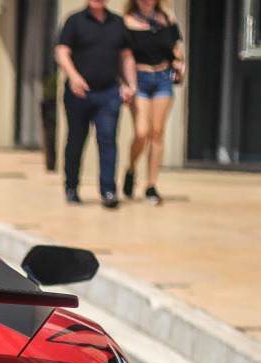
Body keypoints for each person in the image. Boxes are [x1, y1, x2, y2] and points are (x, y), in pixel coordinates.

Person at [56, 0, 136, 208]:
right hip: (79, 94)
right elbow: (62, 52)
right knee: (76, 140)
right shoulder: (74, 21)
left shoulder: (118, 22)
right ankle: (71, 187)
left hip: (109, 93)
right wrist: (73, 77)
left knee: (108, 141)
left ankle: (109, 191)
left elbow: (126, 57)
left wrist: (130, 84)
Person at [122, 0, 184, 205]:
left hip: (163, 79)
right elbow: (124, 55)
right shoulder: (127, 22)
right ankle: (131, 169)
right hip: (139, 79)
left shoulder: (167, 19)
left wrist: (179, 63)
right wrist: (126, 83)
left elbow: (175, 49)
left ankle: (151, 185)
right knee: (142, 132)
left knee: (157, 132)